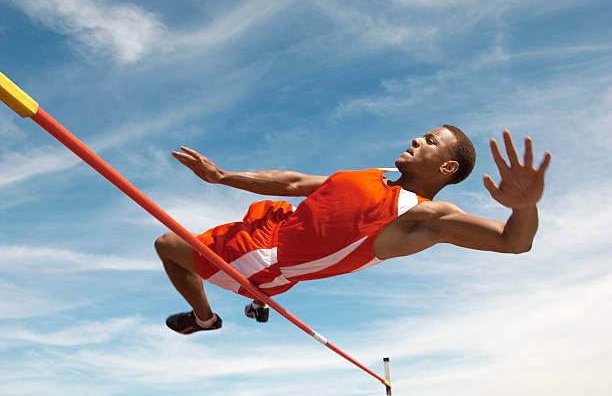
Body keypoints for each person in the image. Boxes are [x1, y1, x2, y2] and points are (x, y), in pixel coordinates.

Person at [154, 125, 551, 334]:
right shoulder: (379, 174)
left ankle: (205, 319)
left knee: (167, 243)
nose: (416, 138)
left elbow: (513, 241)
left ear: (446, 168)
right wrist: (223, 176)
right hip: (277, 225)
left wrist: (525, 205)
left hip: (265, 261)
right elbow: (295, 183)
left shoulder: (422, 216)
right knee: (283, 205)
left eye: (429, 140)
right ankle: (256, 304)